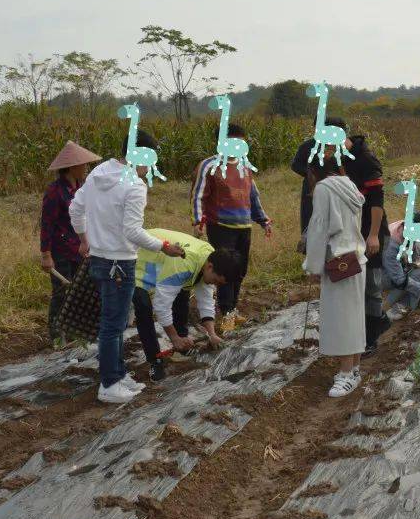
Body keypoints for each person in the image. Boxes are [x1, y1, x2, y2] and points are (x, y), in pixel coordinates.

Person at [69, 129, 185, 404]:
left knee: (115, 322)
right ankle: (109, 384)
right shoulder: (134, 185)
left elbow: (76, 209)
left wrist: (84, 239)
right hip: (119, 263)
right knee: (112, 325)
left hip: (99, 259)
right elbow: (133, 231)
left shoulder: (99, 173)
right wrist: (163, 246)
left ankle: (118, 375)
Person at [295, 123, 390, 356]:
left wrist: (374, 235)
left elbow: (376, 201)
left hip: (369, 231)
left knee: (371, 288)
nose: (325, 150)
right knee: (355, 289)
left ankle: (369, 339)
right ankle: (368, 330)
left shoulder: (365, 159)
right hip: (350, 235)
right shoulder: (334, 163)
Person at [191, 122, 273, 322]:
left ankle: (233, 309)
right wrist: (197, 220)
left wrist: (263, 220)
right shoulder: (209, 166)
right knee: (225, 269)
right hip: (220, 226)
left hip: (244, 226)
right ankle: (226, 313)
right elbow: (198, 195)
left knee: (240, 269)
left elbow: (253, 196)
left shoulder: (245, 166)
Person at [133, 229, 238, 381]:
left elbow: (206, 300)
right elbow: (162, 306)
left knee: (182, 297)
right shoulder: (184, 265)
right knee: (143, 307)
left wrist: (212, 334)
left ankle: (182, 346)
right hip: (137, 260)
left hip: (163, 263)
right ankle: (155, 360)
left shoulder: (211, 260)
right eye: (216, 281)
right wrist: (173, 337)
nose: (215, 285)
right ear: (210, 267)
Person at [302, 155, 368, 398]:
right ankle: (355, 369)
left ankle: (346, 374)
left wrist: (313, 266)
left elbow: (319, 228)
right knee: (353, 316)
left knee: (341, 320)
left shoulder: (323, 189)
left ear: (313, 172)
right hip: (355, 258)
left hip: (337, 262)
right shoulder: (347, 184)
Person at [41, 140, 101, 342]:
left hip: (81, 249)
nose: (86, 169)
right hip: (61, 251)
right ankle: (56, 336)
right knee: (61, 294)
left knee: (80, 294)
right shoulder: (55, 192)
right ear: (73, 167)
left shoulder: (83, 188)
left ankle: (77, 333)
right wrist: (46, 255)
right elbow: (47, 225)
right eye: (83, 165)